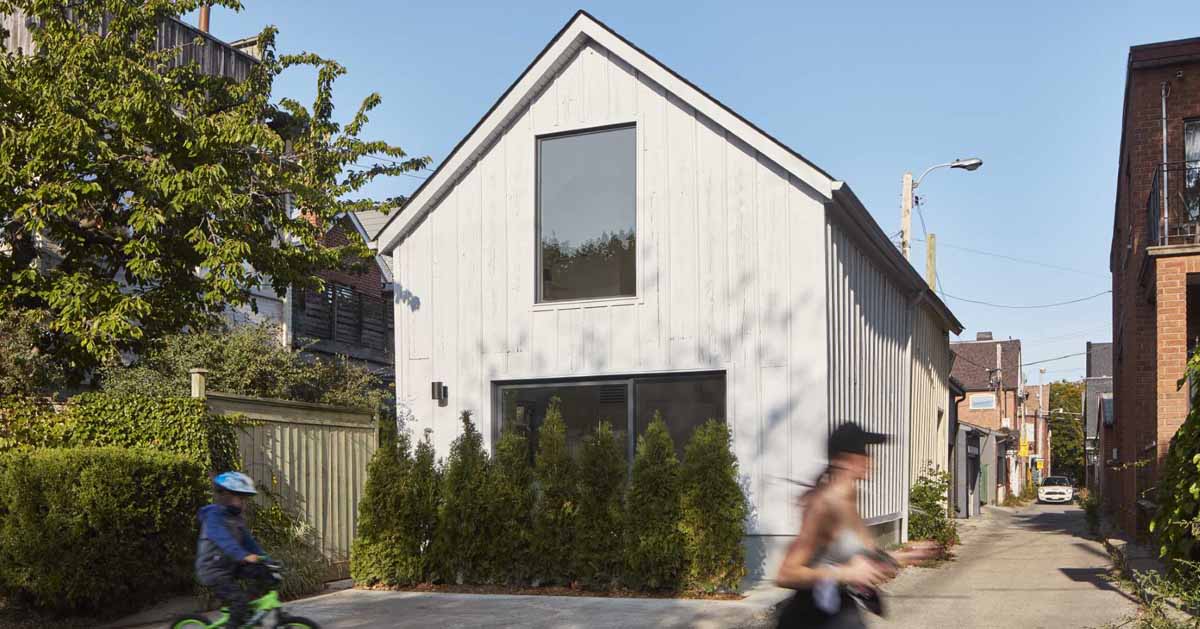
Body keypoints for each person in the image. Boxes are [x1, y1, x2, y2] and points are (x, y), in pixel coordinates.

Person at [774, 423, 939, 628]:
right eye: (864, 452)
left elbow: (860, 559)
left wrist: (904, 556)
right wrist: (845, 574)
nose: (871, 460)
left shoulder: (850, 500)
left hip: (840, 610)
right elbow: (786, 574)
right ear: (845, 460)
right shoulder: (824, 504)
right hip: (812, 617)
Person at [196, 471, 269, 628]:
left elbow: (250, 543)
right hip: (213, 570)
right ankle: (240, 610)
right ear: (227, 496)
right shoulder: (213, 516)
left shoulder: (237, 519)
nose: (244, 503)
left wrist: (266, 559)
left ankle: (245, 610)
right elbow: (223, 539)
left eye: (245, 499)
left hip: (230, 566)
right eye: (240, 498)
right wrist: (243, 555)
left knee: (263, 572)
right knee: (239, 601)